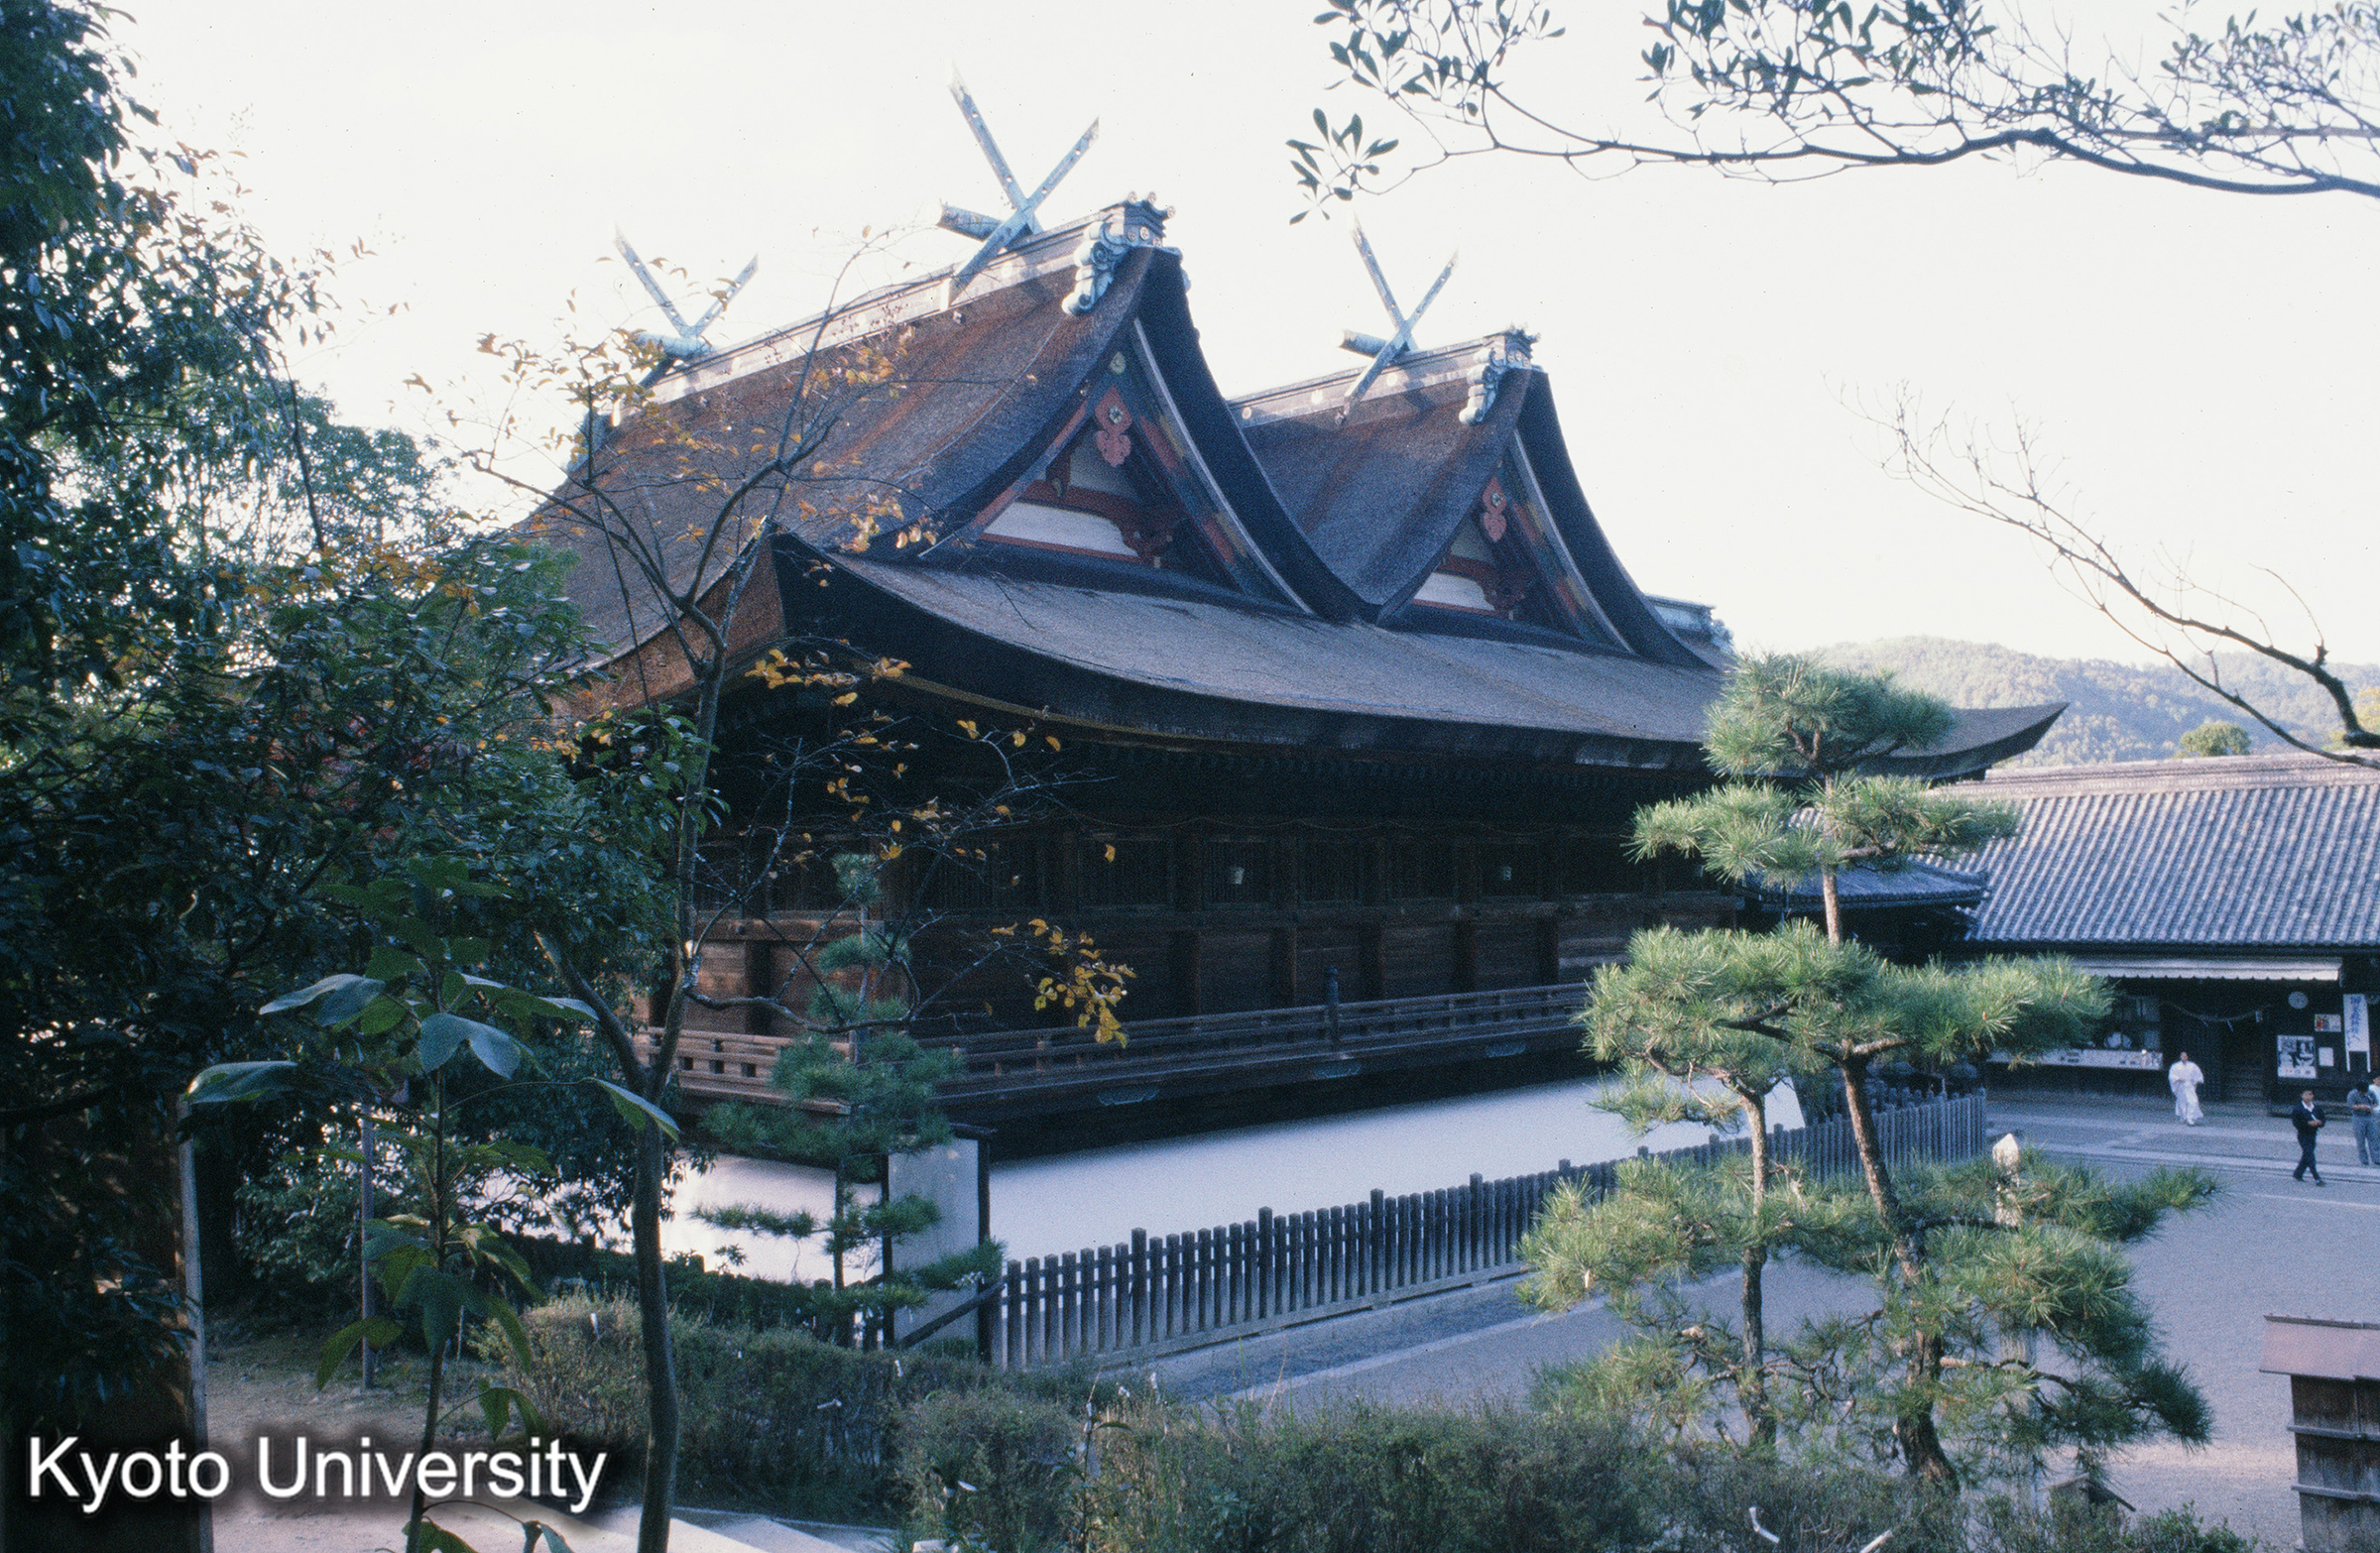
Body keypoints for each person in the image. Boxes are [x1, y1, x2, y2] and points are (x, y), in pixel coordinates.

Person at [2292, 1089, 2327, 1185]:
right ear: (2302, 1096)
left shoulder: (2316, 1108)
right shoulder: (2298, 1109)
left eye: (2311, 1094)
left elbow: (2323, 1118)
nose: (2309, 1096)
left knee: (2307, 1155)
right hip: (2303, 1134)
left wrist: (2320, 1123)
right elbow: (2296, 1122)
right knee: (2310, 1155)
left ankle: (2298, 1173)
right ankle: (2316, 1177)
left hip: (2313, 1134)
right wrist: (2308, 1124)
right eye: (2306, 1094)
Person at [2168, 1051, 2205, 1126]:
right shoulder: (2175, 1066)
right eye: (2182, 1056)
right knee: (2182, 1103)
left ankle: (2190, 1118)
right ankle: (2184, 1117)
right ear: (2180, 1057)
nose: (2184, 1057)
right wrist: (2178, 1078)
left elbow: (2198, 1074)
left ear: (2187, 1057)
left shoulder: (2192, 1066)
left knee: (2193, 1101)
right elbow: (2171, 1076)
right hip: (2180, 1086)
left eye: (2185, 1056)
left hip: (2189, 1086)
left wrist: (2197, 1080)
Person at [2348, 1077, 2379, 1167]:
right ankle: (2364, 1160)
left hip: (2369, 1116)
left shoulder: (2370, 1093)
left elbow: (2376, 1102)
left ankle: (2377, 1159)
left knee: (2374, 1138)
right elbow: (2351, 1106)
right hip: (2358, 1117)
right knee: (2360, 1140)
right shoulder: (2352, 1094)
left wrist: (2371, 1107)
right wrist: (2361, 1106)